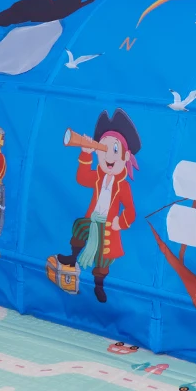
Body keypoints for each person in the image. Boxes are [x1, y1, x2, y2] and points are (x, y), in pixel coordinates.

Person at [49, 108, 141, 303]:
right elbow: (82, 178)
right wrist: (86, 155)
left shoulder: (123, 186)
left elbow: (131, 211)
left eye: (114, 150)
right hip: (92, 220)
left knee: (104, 258)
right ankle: (73, 257)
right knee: (79, 228)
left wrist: (120, 222)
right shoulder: (99, 176)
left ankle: (99, 285)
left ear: (125, 157)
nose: (108, 156)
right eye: (103, 150)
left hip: (108, 227)